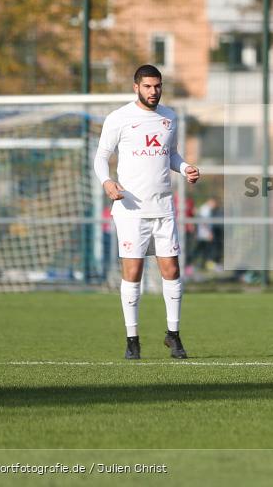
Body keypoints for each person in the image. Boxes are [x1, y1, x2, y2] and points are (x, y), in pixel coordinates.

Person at [94, 64, 200, 360]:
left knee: (172, 270)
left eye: (158, 86)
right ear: (136, 87)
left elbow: (172, 154)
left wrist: (184, 167)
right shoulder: (119, 118)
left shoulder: (169, 117)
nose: (154, 92)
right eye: (148, 86)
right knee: (133, 273)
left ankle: (174, 336)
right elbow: (101, 156)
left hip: (163, 207)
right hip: (130, 210)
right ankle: (132, 339)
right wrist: (107, 181)